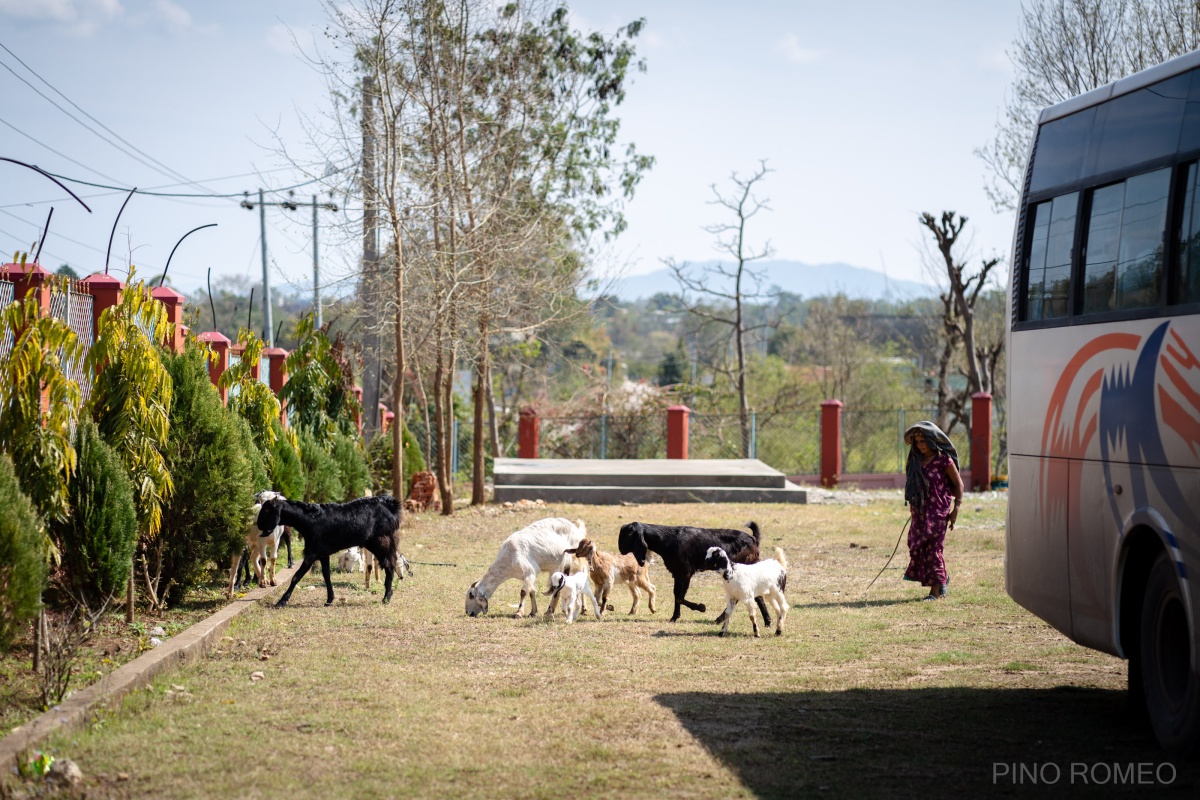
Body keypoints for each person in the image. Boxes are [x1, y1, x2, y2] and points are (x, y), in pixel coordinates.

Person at [902, 421, 964, 600]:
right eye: (918, 442)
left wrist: (956, 508)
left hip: (938, 511)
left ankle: (935, 592)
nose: (921, 445)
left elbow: (958, 484)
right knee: (916, 545)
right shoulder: (916, 460)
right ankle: (942, 578)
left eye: (924, 441)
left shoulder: (944, 460)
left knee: (933, 549)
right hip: (919, 511)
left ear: (932, 440)